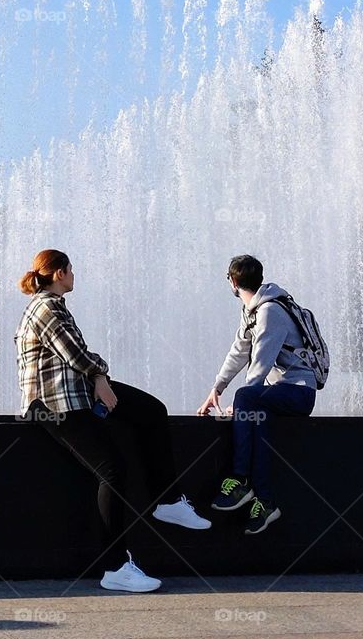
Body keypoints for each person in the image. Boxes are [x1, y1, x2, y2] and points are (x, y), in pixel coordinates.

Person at [16, 248, 211, 593]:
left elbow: (77, 356)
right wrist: (100, 374)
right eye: (71, 269)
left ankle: (167, 502)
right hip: (55, 402)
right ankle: (115, 566)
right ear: (59, 273)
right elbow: (75, 353)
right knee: (112, 471)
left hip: (77, 392)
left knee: (151, 411)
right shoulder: (46, 306)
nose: (75, 275)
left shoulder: (53, 305)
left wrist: (97, 377)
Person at [197, 254, 317, 535]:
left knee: (247, 398)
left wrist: (241, 404)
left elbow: (259, 364)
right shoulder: (252, 311)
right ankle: (264, 501)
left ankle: (240, 480)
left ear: (234, 281)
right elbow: (239, 351)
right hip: (281, 394)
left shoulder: (269, 313)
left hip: (299, 393)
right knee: (259, 419)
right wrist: (216, 388)